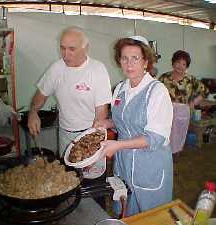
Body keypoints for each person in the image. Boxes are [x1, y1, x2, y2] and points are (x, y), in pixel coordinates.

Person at [94, 36, 173, 216]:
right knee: (127, 211)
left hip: (149, 165)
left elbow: (155, 137)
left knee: (151, 216)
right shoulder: (120, 88)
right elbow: (122, 121)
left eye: (135, 58)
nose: (129, 64)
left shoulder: (157, 91)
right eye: (124, 58)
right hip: (124, 163)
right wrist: (106, 122)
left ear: (146, 62)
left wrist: (118, 145)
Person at [27, 26, 112, 157]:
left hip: (90, 134)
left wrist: (91, 145)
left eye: (72, 49)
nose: (65, 54)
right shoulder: (56, 68)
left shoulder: (97, 70)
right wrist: (33, 112)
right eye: (62, 48)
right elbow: (41, 95)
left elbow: (101, 112)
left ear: (85, 48)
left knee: (90, 177)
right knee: (68, 174)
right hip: (65, 135)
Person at [158, 50, 209, 154]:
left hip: (182, 111)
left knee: (178, 135)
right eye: (178, 62)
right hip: (166, 110)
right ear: (173, 63)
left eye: (184, 64)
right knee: (165, 134)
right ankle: (165, 156)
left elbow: (204, 91)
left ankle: (176, 155)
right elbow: (156, 93)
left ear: (187, 66)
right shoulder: (164, 77)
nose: (180, 66)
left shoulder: (190, 79)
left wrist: (193, 103)